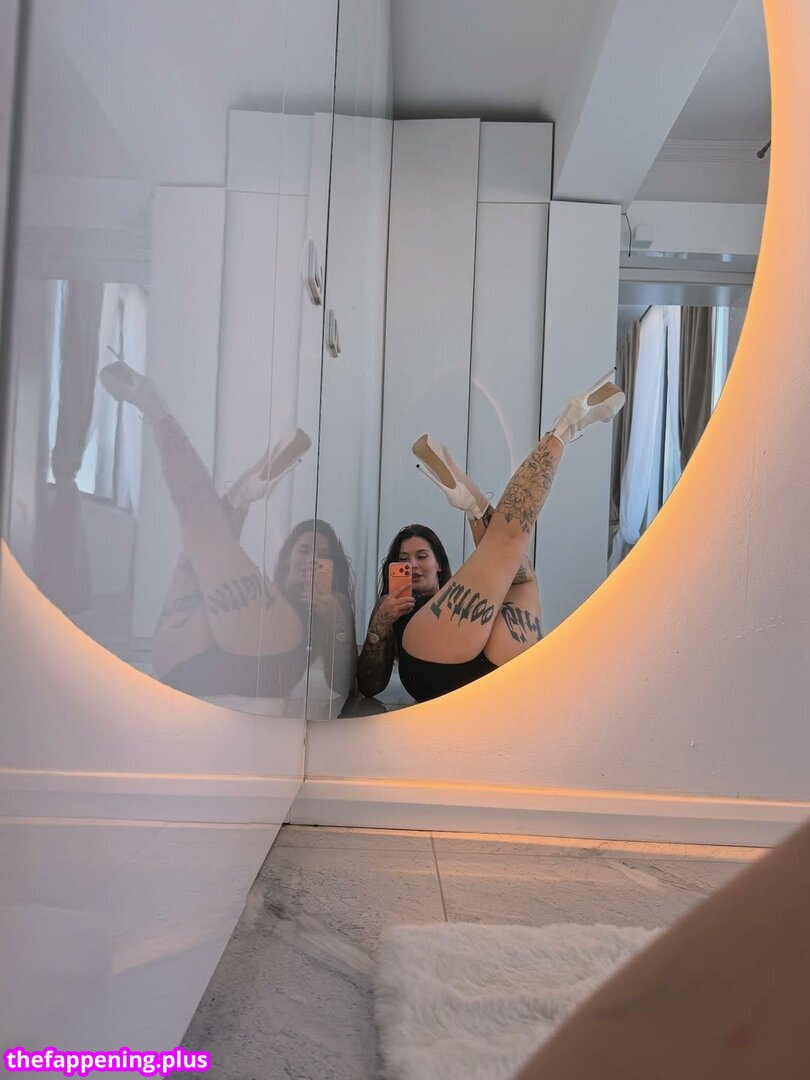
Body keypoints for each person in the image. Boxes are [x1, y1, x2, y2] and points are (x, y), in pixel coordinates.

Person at [357, 372, 625, 703]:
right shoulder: (391, 610)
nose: (411, 565)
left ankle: (561, 432)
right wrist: (381, 622)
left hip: (481, 668)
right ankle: (479, 505)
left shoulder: (468, 589)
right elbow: (369, 685)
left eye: (421, 556)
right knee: (515, 564)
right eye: (402, 560)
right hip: (436, 665)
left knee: (512, 563)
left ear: (440, 564)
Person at [98, 359, 353, 701]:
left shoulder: (332, 606)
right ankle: (243, 492)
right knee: (198, 550)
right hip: (186, 662)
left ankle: (161, 415)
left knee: (204, 534)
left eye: (322, 555)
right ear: (287, 558)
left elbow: (342, 683)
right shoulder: (264, 596)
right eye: (305, 550)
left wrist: (334, 617)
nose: (311, 560)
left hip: (278, 651)